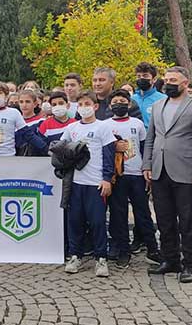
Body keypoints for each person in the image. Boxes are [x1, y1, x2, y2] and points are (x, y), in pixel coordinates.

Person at [142, 66, 192, 284]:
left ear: (185, 83)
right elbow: (151, 138)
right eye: (166, 79)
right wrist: (147, 164)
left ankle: (189, 264)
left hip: (187, 171)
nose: (168, 83)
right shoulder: (157, 106)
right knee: (163, 219)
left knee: (188, 220)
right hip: (159, 170)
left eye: (173, 79)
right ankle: (170, 259)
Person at [60, 91, 116, 277]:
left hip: (95, 183)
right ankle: (75, 255)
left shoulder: (103, 127)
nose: (84, 107)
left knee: (98, 221)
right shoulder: (72, 128)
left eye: (87, 104)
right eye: (80, 104)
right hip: (76, 183)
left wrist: (107, 178)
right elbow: (60, 149)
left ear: (95, 106)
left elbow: (109, 155)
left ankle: (101, 258)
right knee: (75, 220)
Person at [106, 90, 160, 268]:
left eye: (122, 101)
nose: (119, 104)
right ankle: (123, 250)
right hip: (117, 176)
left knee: (143, 213)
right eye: (115, 101)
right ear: (110, 105)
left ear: (129, 104)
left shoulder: (137, 124)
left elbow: (146, 148)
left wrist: (147, 168)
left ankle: (152, 248)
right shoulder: (105, 125)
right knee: (118, 214)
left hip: (137, 175)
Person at [131, 62, 167, 131]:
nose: (141, 78)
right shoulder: (131, 99)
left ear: (154, 79)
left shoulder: (163, 99)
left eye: (145, 76)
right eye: (138, 76)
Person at [16, 90, 45, 156]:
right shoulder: (15, 122)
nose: (24, 105)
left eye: (28, 102)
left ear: (35, 104)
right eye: (21, 102)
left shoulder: (41, 121)